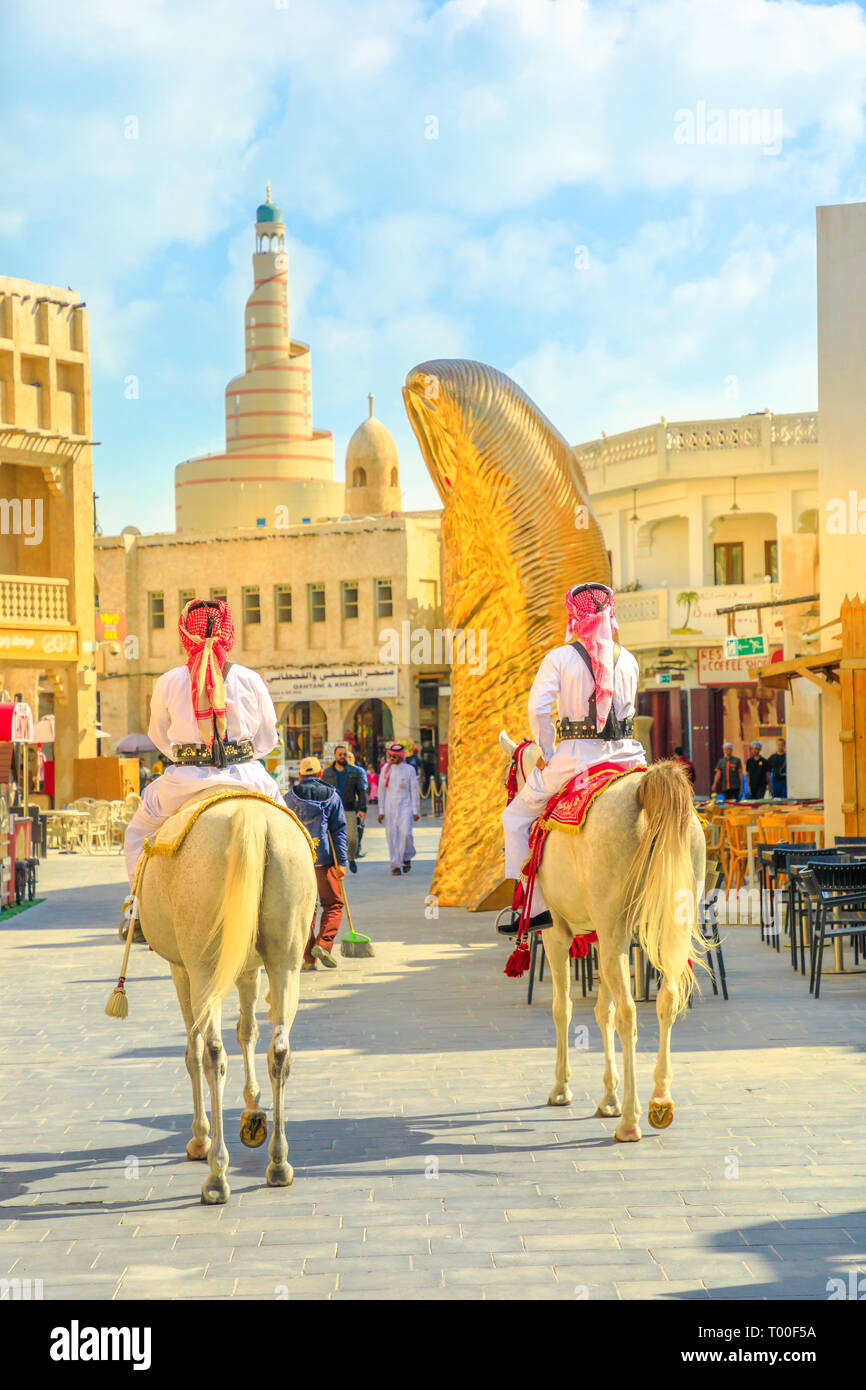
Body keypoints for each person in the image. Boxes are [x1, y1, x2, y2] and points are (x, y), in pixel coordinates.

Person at [502, 582, 646, 926]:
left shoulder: (559, 658)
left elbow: (538, 709)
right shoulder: (629, 659)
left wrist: (547, 752)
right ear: (610, 613)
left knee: (515, 818)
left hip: (577, 760)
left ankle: (535, 908)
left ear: (574, 616)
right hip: (630, 757)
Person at [123, 598, 286, 889]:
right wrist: (240, 758)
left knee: (138, 831)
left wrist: (189, 756)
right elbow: (267, 739)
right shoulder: (251, 679)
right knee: (290, 833)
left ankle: (136, 905)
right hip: (248, 779)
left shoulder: (168, 681)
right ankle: (306, 902)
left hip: (184, 782)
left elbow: (159, 736)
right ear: (229, 632)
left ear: (185, 633)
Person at [284, 756, 347, 970]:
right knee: (333, 904)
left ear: (300, 775)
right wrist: (342, 862)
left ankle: (308, 959)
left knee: (305, 908)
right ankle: (323, 944)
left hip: (298, 863)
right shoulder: (332, 796)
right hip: (325, 861)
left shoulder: (288, 798)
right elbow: (338, 831)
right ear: (320, 774)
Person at [322, 744, 367, 874]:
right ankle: (337, 862)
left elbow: (361, 791)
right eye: (340, 754)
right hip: (332, 810)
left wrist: (362, 809)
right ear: (335, 756)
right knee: (333, 838)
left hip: (349, 809)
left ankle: (351, 858)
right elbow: (324, 791)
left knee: (352, 839)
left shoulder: (355, 772)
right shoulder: (327, 773)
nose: (342, 756)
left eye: (344, 754)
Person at [378, 742, 420, 875]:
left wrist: (415, 810)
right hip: (390, 807)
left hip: (405, 807)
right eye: (392, 755)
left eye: (396, 755)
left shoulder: (409, 770)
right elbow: (381, 791)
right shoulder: (386, 769)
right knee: (392, 836)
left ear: (402, 755)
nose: (393, 758)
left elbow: (414, 790)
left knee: (406, 833)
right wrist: (381, 811)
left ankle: (406, 857)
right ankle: (395, 865)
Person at [345, 749, 369, 858]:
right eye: (346, 757)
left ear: (354, 759)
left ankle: (357, 849)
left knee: (358, 825)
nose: (348, 759)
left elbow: (363, 787)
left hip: (356, 803)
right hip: (344, 803)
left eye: (350, 757)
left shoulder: (359, 771)